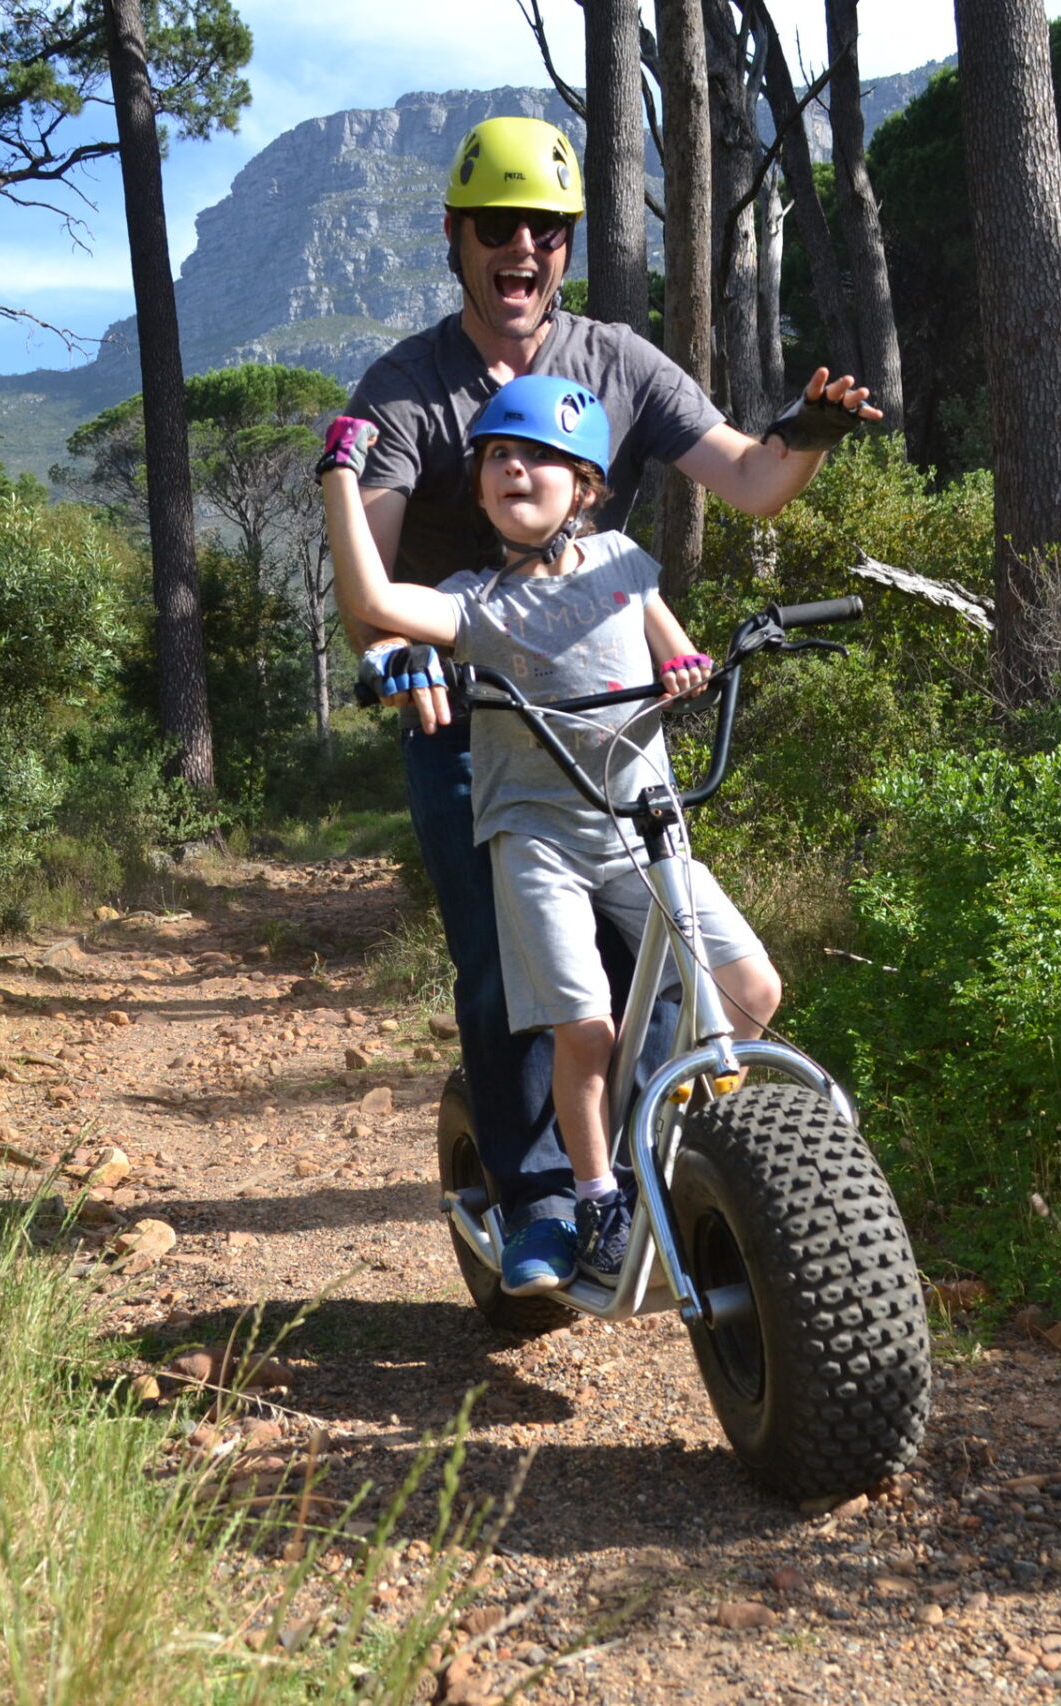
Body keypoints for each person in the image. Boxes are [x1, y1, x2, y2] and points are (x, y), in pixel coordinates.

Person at [341, 113, 874, 1296]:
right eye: (496, 226)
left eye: (543, 227)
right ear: (456, 238)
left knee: (670, 954)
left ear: (567, 246)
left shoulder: (619, 361)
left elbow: (747, 478)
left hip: (608, 729)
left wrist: (809, 434)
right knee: (501, 967)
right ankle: (542, 1201)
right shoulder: (407, 390)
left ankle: (650, 1153)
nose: (518, 245)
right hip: (465, 707)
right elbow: (374, 593)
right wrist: (400, 650)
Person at [320, 378, 783, 1288]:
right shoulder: (473, 601)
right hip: (538, 838)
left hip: (643, 824)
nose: (513, 468)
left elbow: (664, 636)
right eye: (497, 456)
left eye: (536, 457)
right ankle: (596, 1194)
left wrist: (687, 665)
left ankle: (671, 1134)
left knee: (753, 988)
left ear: (587, 487)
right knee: (584, 1028)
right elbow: (371, 596)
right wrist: (342, 476)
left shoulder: (619, 559)